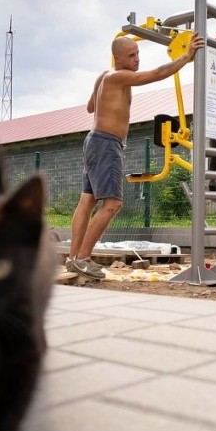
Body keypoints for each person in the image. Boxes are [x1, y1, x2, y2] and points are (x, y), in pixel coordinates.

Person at [67, 34, 205, 279]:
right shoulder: (119, 76)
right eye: (131, 55)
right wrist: (186, 57)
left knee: (87, 202)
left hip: (94, 141)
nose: (137, 59)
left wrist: (109, 103)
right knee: (112, 204)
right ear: (117, 59)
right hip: (107, 143)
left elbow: (91, 107)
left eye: (138, 53)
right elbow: (155, 74)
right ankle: (83, 259)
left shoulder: (105, 77)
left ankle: (74, 258)